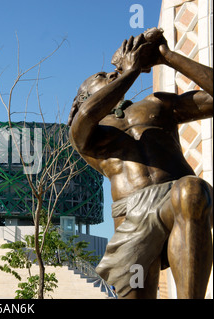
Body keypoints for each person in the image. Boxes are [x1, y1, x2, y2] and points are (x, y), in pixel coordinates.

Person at [67, 29, 213, 299]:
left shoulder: (157, 104)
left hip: (175, 197)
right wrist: (130, 72)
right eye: (100, 77)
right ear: (83, 97)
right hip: (131, 218)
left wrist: (167, 57)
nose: (109, 74)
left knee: (192, 190)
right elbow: (88, 113)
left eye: (109, 73)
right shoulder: (86, 131)